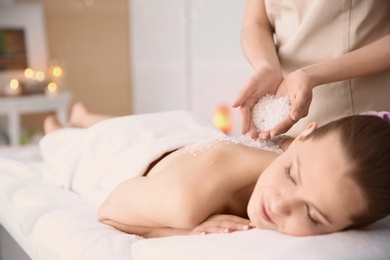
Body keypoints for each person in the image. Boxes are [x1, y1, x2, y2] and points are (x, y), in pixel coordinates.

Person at [41, 103, 390, 238]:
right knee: (63, 141)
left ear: (356, 226)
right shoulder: (186, 200)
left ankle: (86, 115)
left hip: (186, 135)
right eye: (291, 175)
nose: (281, 204)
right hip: (118, 152)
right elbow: (109, 212)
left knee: (128, 122)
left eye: (313, 215)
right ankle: (62, 123)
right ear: (303, 137)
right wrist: (183, 231)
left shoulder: (310, 158)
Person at [233, 0, 390, 140]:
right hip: (286, 101)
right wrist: (266, 66)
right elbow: (256, 23)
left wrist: (313, 75)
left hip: (357, 110)